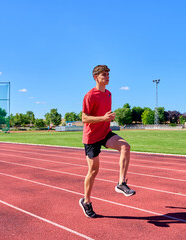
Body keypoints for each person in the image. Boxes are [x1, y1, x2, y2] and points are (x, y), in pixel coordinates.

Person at [79, 65, 135, 218]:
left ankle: (121, 183)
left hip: (105, 132)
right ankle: (87, 202)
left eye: (108, 74)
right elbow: (84, 118)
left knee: (125, 146)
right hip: (91, 138)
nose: (107, 77)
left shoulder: (109, 94)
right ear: (96, 77)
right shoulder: (90, 95)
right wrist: (103, 118)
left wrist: (107, 119)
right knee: (93, 171)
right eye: (104, 75)